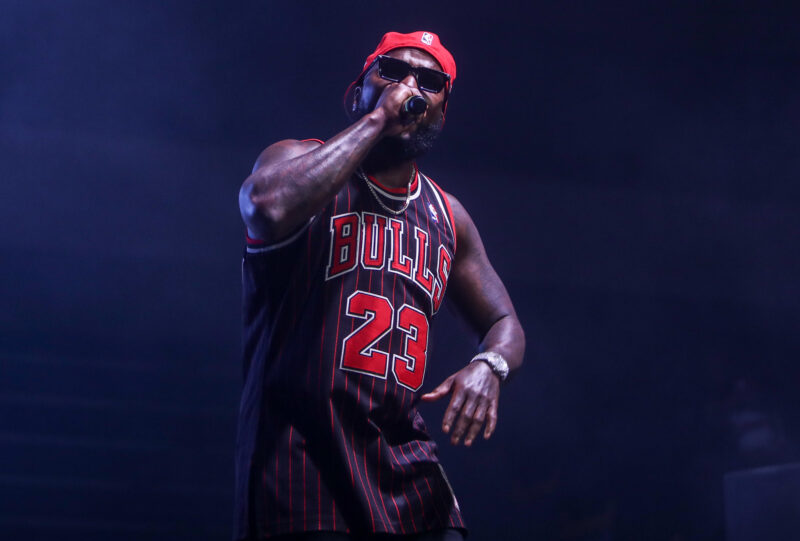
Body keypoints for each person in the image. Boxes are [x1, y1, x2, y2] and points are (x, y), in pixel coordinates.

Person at [235, 30, 525, 541]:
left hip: (406, 468)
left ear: (440, 113)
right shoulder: (295, 157)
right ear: (357, 92)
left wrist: (490, 366)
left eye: (429, 80)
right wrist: (376, 123)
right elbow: (266, 208)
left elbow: (505, 324)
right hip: (303, 463)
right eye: (392, 71)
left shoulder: (448, 216)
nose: (409, 85)